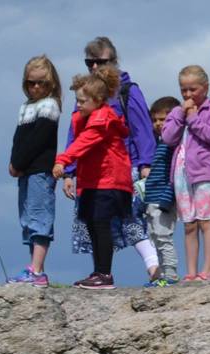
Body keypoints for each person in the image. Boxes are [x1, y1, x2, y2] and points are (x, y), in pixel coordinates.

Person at [62, 37, 160, 282]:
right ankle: (101, 272)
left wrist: (146, 164)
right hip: (91, 172)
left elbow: (142, 129)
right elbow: (76, 134)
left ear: (114, 61)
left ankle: (155, 269)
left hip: (124, 168)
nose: (95, 67)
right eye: (89, 62)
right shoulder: (86, 94)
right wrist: (69, 171)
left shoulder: (127, 91)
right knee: (96, 223)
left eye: (101, 61)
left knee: (130, 221)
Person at [52, 65, 133, 290]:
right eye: (77, 100)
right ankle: (99, 271)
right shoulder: (87, 118)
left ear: (98, 100)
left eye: (82, 101)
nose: (77, 105)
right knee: (93, 225)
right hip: (94, 181)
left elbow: (83, 142)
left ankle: (105, 274)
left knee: (100, 224)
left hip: (109, 180)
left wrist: (63, 161)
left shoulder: (102, 120)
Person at [161, 65, 210, 282]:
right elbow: (168, 138)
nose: (188, 95)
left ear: (205, 88)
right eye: (184, 90)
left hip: (205, 172)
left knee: (206, 221)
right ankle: (190, 272)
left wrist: (194, 119)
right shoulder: (177, 112)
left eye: (193, 89)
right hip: (181, 174)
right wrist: (181, 114)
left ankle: (207, 270)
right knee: (189, 224)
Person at [6, 55, 62, 288]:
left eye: (41, 83)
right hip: (26, 171)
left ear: (51, 84)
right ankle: (34, 267)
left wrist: (18, 162)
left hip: (39, 170)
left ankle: (37, 270)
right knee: (28, 218)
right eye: (31, 83)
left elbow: (37, 141)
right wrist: (14, 162)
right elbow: (19, 140)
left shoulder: (49, 106)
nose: (36, 87)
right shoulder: (26, 107)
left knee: (39, 216)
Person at [142, 96, 182, 287]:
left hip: (163, 199)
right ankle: (162, 274)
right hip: (152, 198)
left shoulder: (172, 145)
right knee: (155, 237)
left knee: (163, 236)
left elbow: (173, 174)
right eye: (155, 120)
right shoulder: (159, 145)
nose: (158, 124)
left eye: (163, 120)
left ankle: (171, 274)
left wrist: (168, 197)